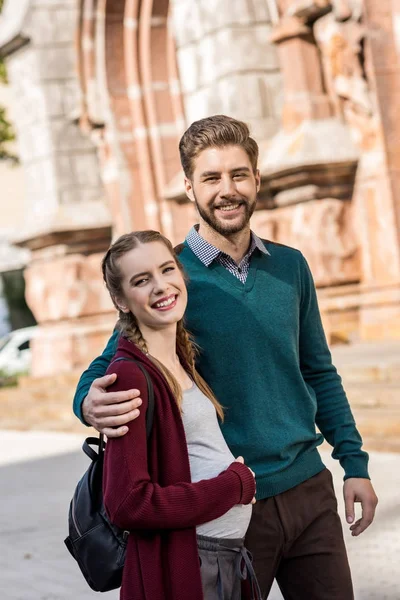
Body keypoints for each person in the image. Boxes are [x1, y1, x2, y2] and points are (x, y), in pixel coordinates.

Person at [74, 115, 378, 600]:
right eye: (211, 178)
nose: (227, 190)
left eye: (238, 174)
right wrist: (87, 403)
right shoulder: (169, 278)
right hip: (232, 506)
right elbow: (106, 366)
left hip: (309, 491)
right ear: (189, 187)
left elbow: (318, 371)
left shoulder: (291, 266)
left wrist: (355, 464)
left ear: (256, 180)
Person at [100, 230, 259, 600]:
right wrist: (233, 486)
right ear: (121, 300)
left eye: (166, 270)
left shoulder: (178, 356)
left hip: (220, 559)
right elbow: (128, 503)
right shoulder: (130, 374)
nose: (160, 286)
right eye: (141, 281)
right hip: (188, 566)